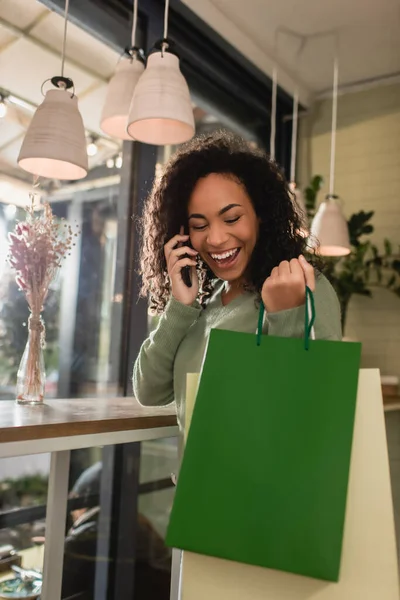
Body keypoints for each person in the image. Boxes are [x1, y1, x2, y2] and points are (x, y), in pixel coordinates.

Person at [133, 131, 342, 430]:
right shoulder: (202, 302)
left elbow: (318, 408)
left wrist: (287, 315)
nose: (216, 238)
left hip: (265, 478)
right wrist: (179, 306)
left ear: (261, 215)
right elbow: (148, 391)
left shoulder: (303, 285)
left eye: (231, 219)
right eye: (199, 225)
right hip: (196, 478)